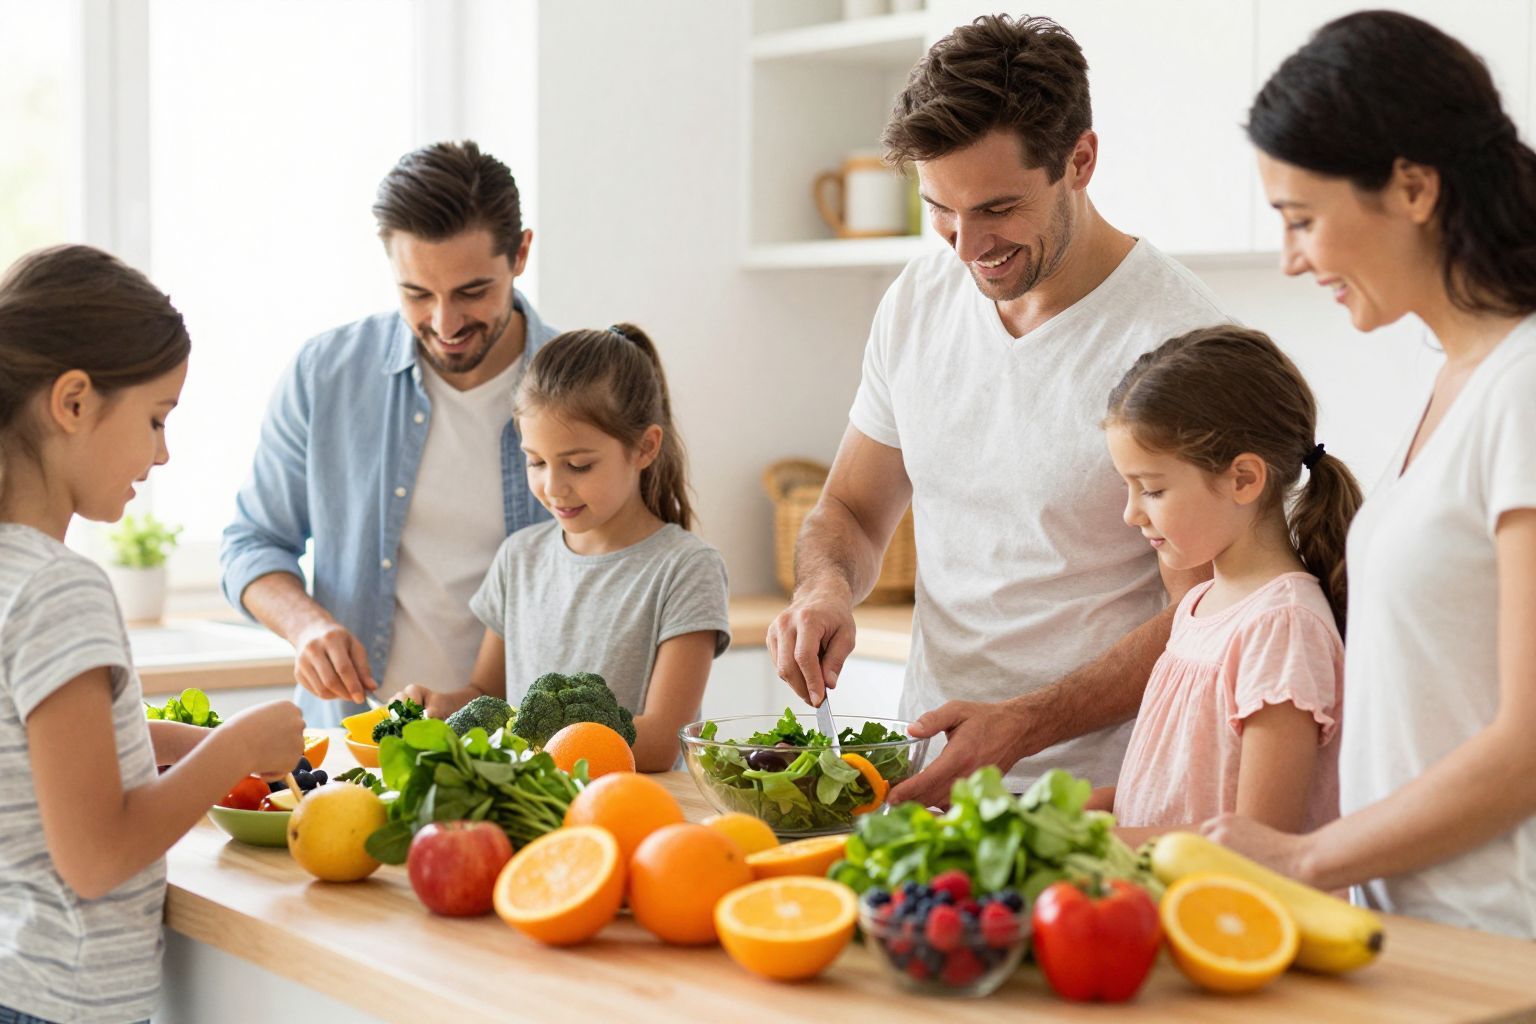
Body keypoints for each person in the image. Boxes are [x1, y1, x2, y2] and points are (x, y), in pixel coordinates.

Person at [766, 13, 1231, 804]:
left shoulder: (1179, 342)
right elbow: (850, 507)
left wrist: (1025, 722)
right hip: (933, 781)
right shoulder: (918, 298)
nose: (964, 244)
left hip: (1102, 801)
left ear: (1079, 161)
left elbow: (1212, 610)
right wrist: (824, 589)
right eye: (940, 208)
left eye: (997, 209)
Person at [1203, 11, 1536, 939]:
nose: (1291, 257)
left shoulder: (1525, 390)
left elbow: (1529, 744)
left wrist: (1306, 858)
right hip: (1427, 931)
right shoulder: (1455, 383)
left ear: (1415, 187)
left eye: (1303, 219)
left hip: (1507, 942)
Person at [0, 245, 304, 1023]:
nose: (162, 453)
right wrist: (235, 749)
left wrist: (167, 742)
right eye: (155, 419)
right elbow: (96, 856)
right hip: (63, 999)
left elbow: (38, 764)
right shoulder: (58, 589)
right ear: (72, 402)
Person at [220, 141, 558, 727]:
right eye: (417, 293)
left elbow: (648, 559)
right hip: (357, 748)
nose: (445, 323)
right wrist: (308, 626)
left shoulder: (588, 384)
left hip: (534, 751)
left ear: (521, 253)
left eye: (472, 292)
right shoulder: (326, 373)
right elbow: (251, 544)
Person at [398, 325, 730, 771]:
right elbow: (486, 696)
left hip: (631, 813)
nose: (553, 487)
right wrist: (443, 708)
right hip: (531, 809)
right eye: (535, 461)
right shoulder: (519, 557)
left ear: (645, 448)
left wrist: (527, 746)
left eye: (578, 465)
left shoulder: (686, 569)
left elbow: (658, 743)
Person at [1093, 326, 1359, 846]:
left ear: (1243, 479)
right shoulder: (1199, 605)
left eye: (1152, 489)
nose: (1131, 513)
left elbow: (1260, 841)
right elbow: (1169, 794)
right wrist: (1074, 810)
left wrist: (1094, 842)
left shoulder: (1281, 627)